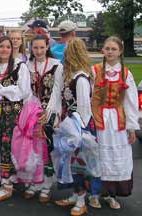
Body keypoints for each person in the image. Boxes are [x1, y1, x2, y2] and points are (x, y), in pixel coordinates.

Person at [90, 36, 139, 210]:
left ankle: (111, 194)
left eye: (113, 49)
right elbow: (87, 97)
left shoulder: (126, 73)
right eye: (107, 48)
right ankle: (94, 193)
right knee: (97, 156)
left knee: (115, 158)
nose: (110, 52)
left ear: (120, 51)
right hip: (98, 120)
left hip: (118, 123)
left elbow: (131, 102)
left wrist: (131, 127)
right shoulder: (94, 70)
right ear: (102, 50)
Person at [54, 38, 95, 216]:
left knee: (80, 163)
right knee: (69, 161)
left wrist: (81, 132)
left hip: (80, 126)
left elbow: (84, 108)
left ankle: (81, 200)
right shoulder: (71, 75)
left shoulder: (80, 79)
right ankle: (74, 195)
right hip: (70, 124)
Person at [0, 36, 31, 202]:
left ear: (12, 49)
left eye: (8, 47)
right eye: (1, 46)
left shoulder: (20, 66)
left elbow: (22, 91)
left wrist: (0, 89)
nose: (5, 49)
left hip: (15, 110)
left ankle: (8, 184)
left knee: (8, 143)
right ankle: (5, 178)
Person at [24, 34, 63, 203]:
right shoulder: (26, 65)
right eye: (35, 47)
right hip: (31, 112)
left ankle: (47, 185)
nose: (39, 51)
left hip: (49, 112)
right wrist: (30, 112)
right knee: (33, 149)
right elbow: (26, 91)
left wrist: (49, 113)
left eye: (42, 47)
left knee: (48, 149)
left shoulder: (56, 66)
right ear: (31, 48)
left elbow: (57, 91)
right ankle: (34, 182)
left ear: (47, 47)